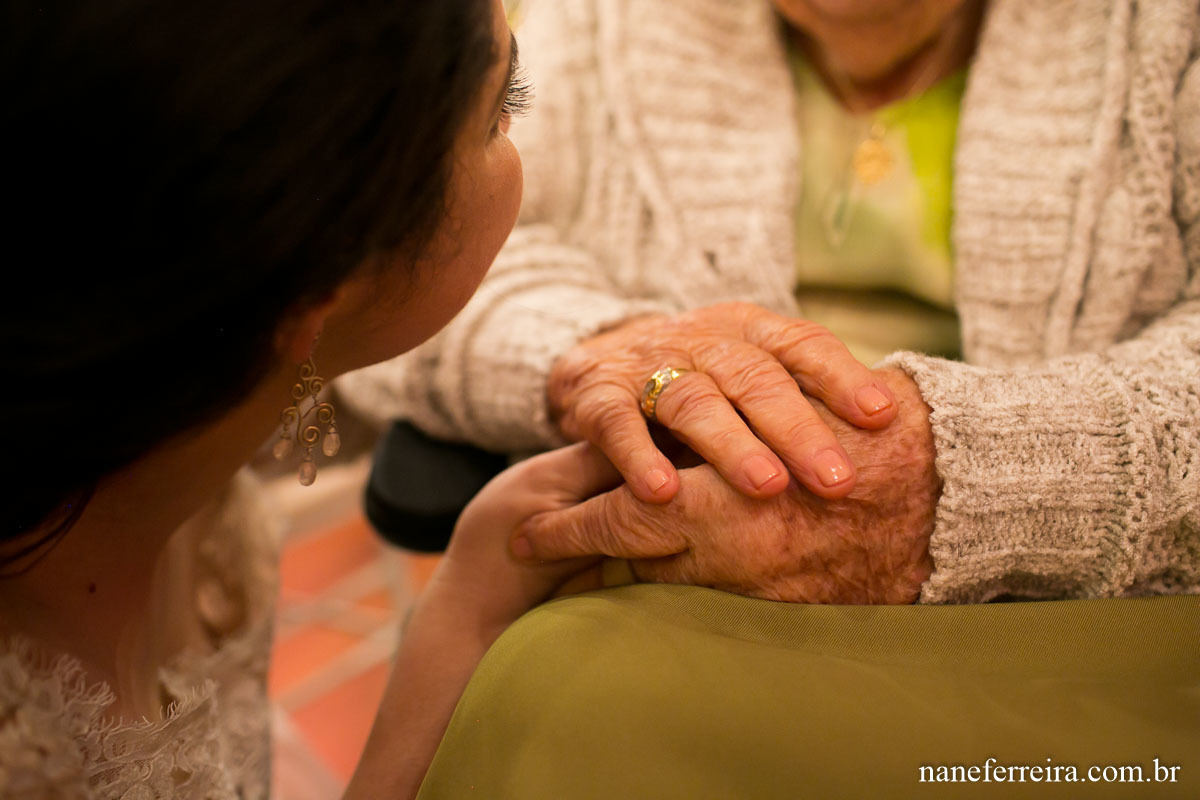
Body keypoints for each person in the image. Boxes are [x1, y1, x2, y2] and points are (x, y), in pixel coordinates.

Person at [341, 0, 1200, 604]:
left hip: (1083, 603)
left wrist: (974, 483)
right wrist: (603, 351)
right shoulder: (601, 21)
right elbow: (393, 265)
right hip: (670, 572)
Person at [0, 0, 641, 796]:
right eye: (502, 112)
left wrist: (471, 594)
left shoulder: (160, 418)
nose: (520, 138)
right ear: (323, 280)